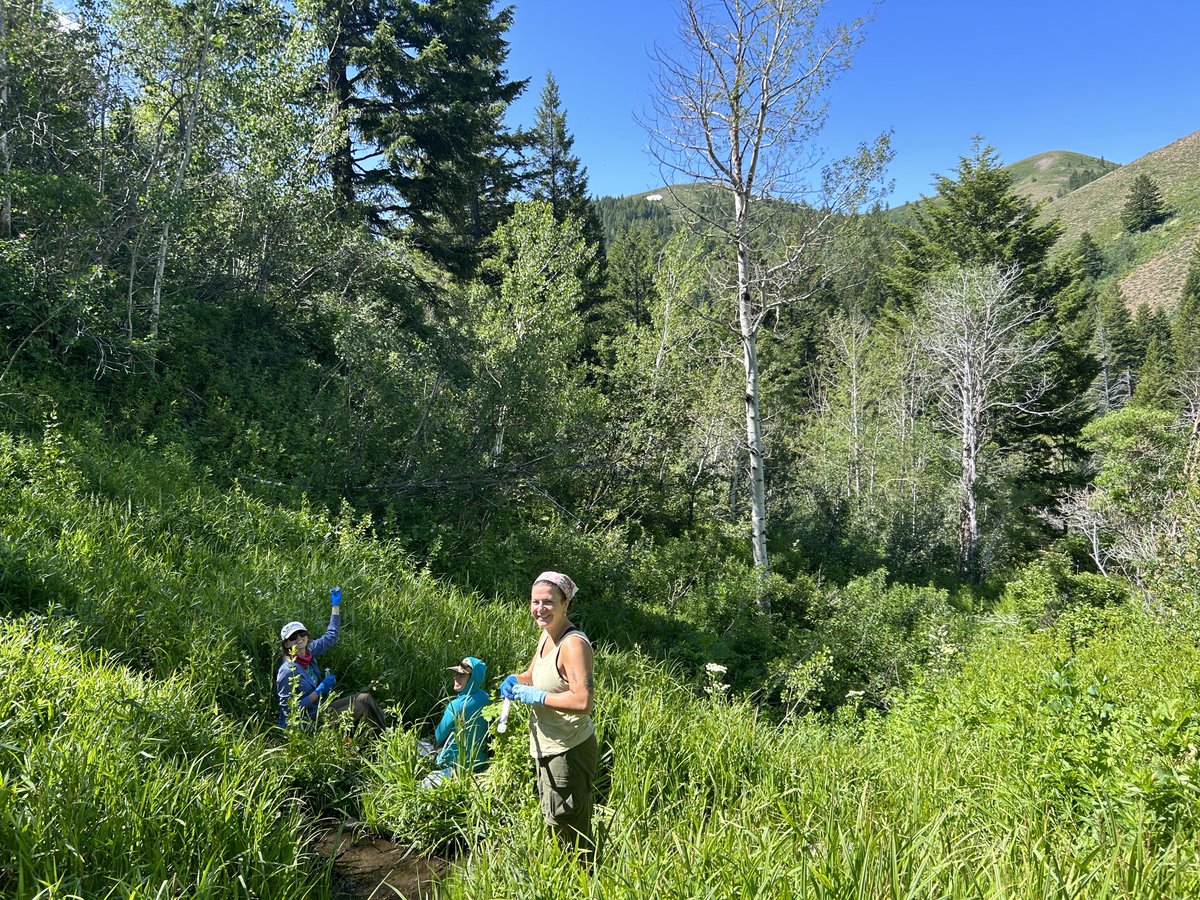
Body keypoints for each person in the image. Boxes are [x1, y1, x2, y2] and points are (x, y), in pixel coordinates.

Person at [500, 571, 597, 860]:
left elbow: (583, 700)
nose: (540, 609)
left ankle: (583, 876)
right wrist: (516, 680)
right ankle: (565, 872)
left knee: (569, 822)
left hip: (569, 748)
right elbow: (532, 675)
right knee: (554, 815)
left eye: (548, 602)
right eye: (535, 602)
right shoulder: (546, 636)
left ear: (565, 603)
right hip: (547, 744)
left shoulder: (573, 644)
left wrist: (540, 697)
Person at [276, 587, 387, 736]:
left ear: (307, 636)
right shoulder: (287, 671)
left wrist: (335, 605)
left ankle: (385, 735)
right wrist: (318, 691)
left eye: (301, 633)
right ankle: (374, 745)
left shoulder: (309, 651)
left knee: (365, 697)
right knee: (360, 707)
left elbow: (331, 636)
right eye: (292, 637)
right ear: (287, 644)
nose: (298, 638)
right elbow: (289, 710)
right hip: (306, 723)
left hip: (320, 710)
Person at [419, 656, 490, 788]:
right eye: (456, 673)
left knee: (416, 746)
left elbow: (438, 735)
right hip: (479, 762)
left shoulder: (455, 706)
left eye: (462, 675)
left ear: (472, 678)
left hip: (453, 764)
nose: (456, 677)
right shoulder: (487, 699)